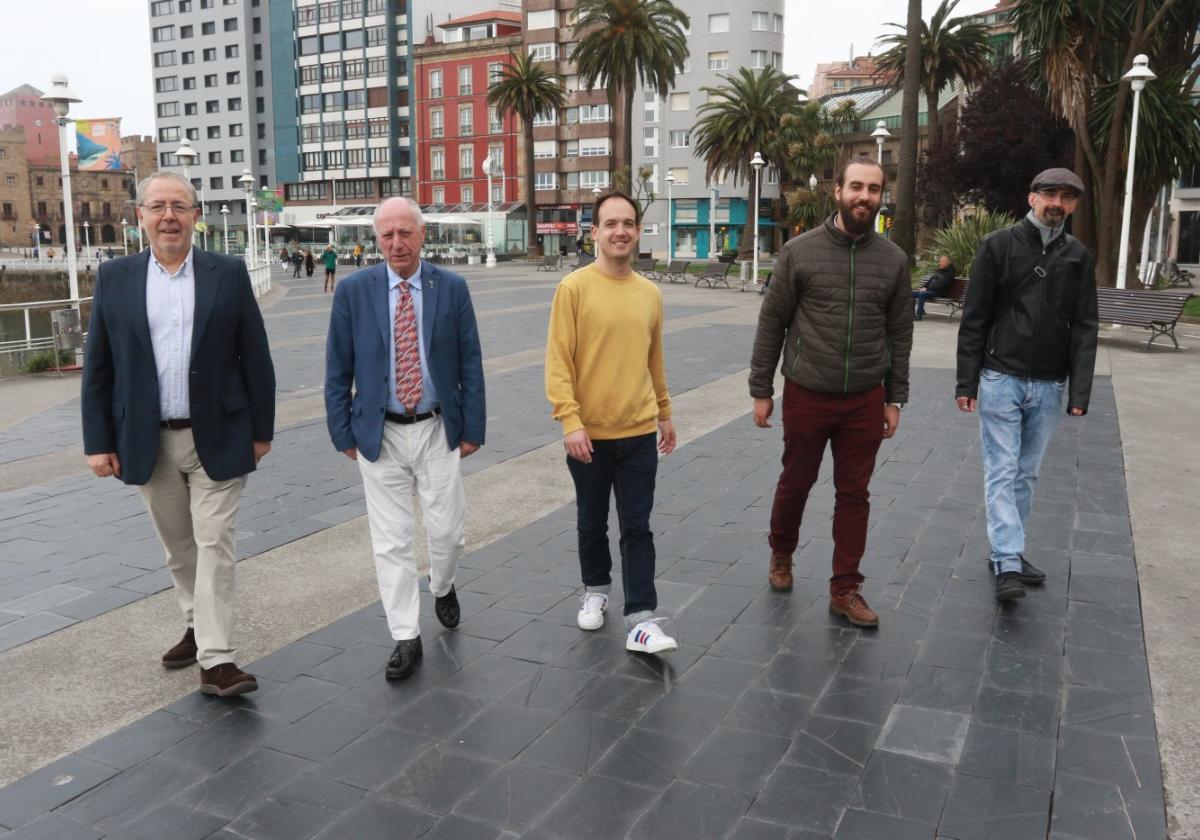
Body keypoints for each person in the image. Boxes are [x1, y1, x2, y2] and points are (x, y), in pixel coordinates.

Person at [80, 171, 275, 697]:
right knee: (179, 548)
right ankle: (196, 622)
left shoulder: (227, 272)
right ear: (139, 215)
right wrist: (98, 441)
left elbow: (254, 356)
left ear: (196, 215)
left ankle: (217, 659)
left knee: (215, 545)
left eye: (180, 206)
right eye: (158, 206)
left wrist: (261, 430)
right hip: (147, 439)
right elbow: (99, 365)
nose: (169, 216)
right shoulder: (115, 277)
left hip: (219, 432)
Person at [325, 197, 485, 681]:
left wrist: (473, 427)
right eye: (387, 235)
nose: (397, 243)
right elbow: (338, 369)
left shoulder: (450, 287)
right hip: (380, 433)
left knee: (447, 531)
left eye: (405, 233)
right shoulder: (354, 291)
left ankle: (443, 583)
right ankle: (404, 635)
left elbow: (470, 361)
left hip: (437, 428)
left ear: (422, 234)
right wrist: (341, 432)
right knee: (390, 541)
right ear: (376, 239)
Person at [749, 159, 913, 628]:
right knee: (795, 482)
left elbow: (900, 334)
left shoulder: (894, 260)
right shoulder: (799, 252)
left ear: (882, 196)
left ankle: (845, 588)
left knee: (854, 494)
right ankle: (782, 554)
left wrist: (894, 398)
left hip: (865, 396)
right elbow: (772, 323)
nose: (865, 196)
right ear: (838, 190)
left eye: (874, 189)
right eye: (857, 186)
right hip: (807, 392)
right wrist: (762, 388)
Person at [545, 189, 679, 655]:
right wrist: (570, 421)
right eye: (611, 224)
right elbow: (559, 362)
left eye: (628, 223)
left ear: (637, 231)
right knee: (591, 522)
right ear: (595, 232)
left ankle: (641, 619)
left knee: (638, 526)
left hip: (639, 432)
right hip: (590, 436)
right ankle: (595, 589)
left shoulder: (650, 293)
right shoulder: (574, 289)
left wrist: (664, 411)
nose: (620, 231)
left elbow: (654, 359)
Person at [956, 168, 1098, 602]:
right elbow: (975, 317)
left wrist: (1079, 392)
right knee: (1001, 470)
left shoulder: (1077, 255)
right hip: (1001, 376)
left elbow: (1085, 326)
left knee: (1027, 473)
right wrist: (967, 381)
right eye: (1049, 194)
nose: (1057, 202)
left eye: (1067, 197)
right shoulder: (997, 245)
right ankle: (1009, 559)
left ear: (1074, 205)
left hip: (1051, 384)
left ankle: (1007, 553)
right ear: (1032, 197)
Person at [913, 255, 956, 320]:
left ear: (946, 263)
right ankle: (913, 313)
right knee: (912, 293)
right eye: (939, 262)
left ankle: (919, 315)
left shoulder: (950, 273)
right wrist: (923, 287)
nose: (939, 263)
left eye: (941, 262)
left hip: (941, 292)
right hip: (932, 291)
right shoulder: (939, 270)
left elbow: (941, 284)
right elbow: (930, 281)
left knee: (922, 294)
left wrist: (927, 289)